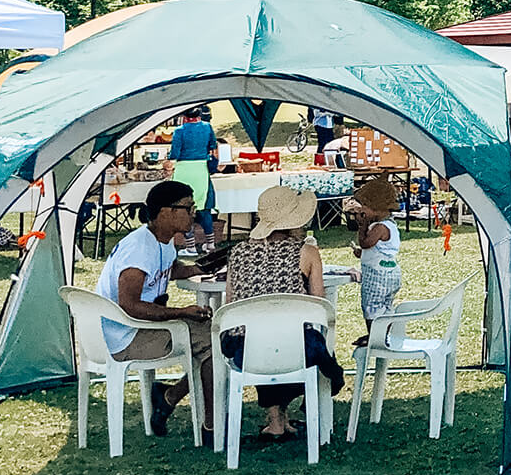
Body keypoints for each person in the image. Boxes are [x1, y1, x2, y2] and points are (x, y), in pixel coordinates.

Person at [222, 186, 344, 444]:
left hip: (248, 352)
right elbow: (317, 305)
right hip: (294, 349)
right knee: (307, 342)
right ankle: (289, 413)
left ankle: (276, 420)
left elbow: (230, 304)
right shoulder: (307, 252)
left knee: (262, 336)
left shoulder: (238, 252)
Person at [95, 181, 214, 437]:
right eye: (188, 207)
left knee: (211, 336)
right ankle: (211, 427)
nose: (193, 213)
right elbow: (130, 305)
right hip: (126, 336)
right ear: (165, 212)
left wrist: (192, 269)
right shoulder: (138, 247)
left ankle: (170, 397)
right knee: (212, 341)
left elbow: (164, 268)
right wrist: (181, 312)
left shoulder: (163, 240)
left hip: (139, 327)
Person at [349, 178, 404, 325]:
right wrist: (362, 254)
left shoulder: (380, 227)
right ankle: (384, 334)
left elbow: (366, 243)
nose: (361, 210)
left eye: (365, 206)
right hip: (390, 273)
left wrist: (362, 226)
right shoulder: (390, 225)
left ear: (376, 207)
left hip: (378, 276)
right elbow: (377, 250)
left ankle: (373, 334)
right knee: (385, 308)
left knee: (372, 306)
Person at [167, 106, 218, 250]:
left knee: (184, 208)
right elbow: (213, 146)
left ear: (184, 116)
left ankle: (190, 247)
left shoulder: (179, 131)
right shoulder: (207, 127)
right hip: (201, 169)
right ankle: (210, 243)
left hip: (184, 170)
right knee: (204, 207)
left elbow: (175, 153)